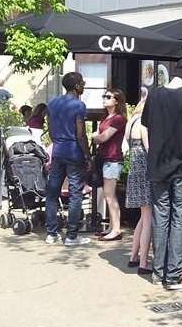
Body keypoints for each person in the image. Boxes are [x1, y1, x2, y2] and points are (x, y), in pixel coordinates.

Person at [141, 60, 182, 289]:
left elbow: (146, 126)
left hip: (157, 166)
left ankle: (158, 272)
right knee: (179, 219)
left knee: (161, 218)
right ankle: (175, 274)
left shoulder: (154, 95)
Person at [44, 73, 92, 247]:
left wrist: (57, 142)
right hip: (73, 153)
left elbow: (49, 130)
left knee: (52, 192)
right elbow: (80, 134)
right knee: (75, 193)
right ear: (76, 86)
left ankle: (51, 233)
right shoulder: (78, 105)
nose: (84, 85)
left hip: (57, 151)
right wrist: (87, 155)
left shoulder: (52, 104)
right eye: (82, 82)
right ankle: (71, 236)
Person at [92, 88, 127, 241]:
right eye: (104, 96)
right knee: (109, 195)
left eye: (108, 97)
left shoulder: (118, 118)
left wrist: (95, 136)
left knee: (109, 194)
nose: (104, 99)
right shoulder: (106, 117)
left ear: (116, 101)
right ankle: (113, 227)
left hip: (113, 159)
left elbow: (104, 138)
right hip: (106, 158)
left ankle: (116, 228)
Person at [124, 97, 152, 275]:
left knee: (143, 217)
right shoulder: (143, 123)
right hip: (145, 171)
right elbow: (149, 148)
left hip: (135, 170)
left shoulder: (131, 122)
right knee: (148, 218)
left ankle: (133, 256)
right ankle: (143, 262)